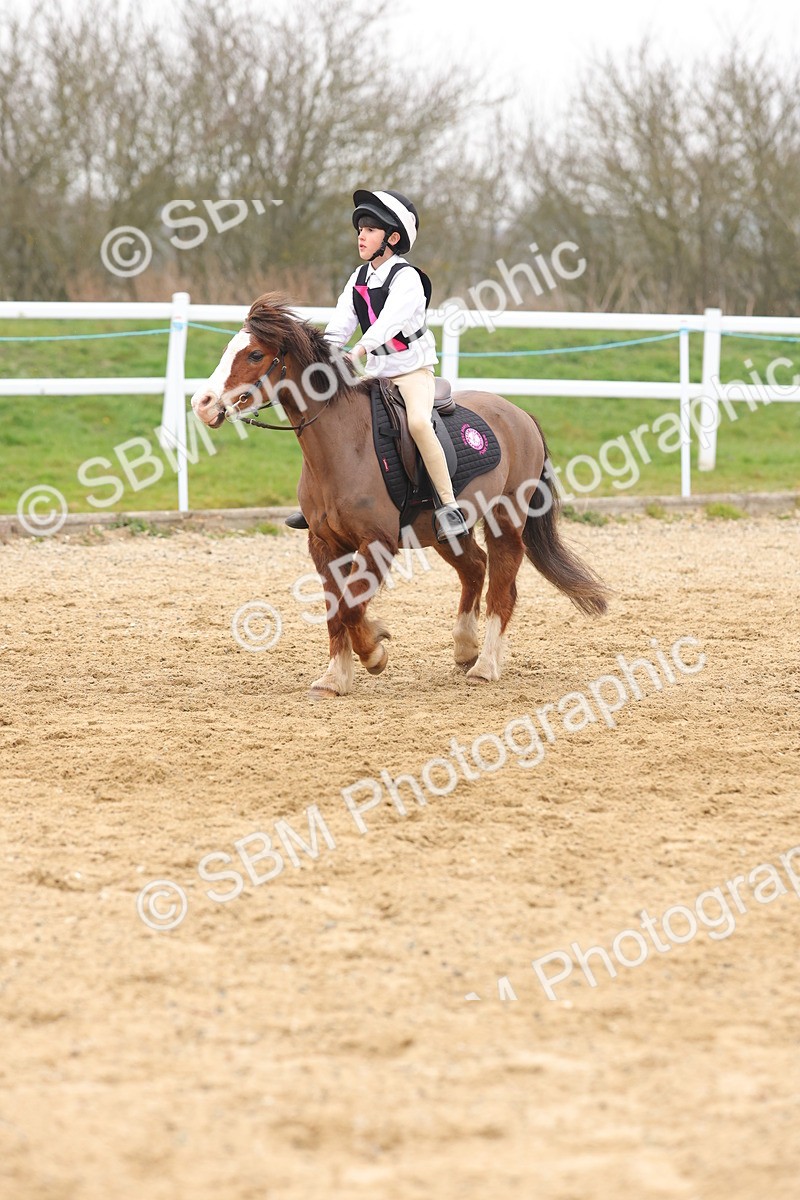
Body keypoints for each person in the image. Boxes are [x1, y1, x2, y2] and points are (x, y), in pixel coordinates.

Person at [284, 189, 469, 542]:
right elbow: (340, 324)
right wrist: (322, 354)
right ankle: (318, 502)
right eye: (359, 230)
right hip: (376, 374)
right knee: (328, 418)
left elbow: (389, 323)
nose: (361, 236)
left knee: (417, 423)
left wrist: (359, 350)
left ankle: (448, 506)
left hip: (412, 371)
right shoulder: (358, 278)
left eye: (370, 230)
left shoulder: (408, 279)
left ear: (392, 238)